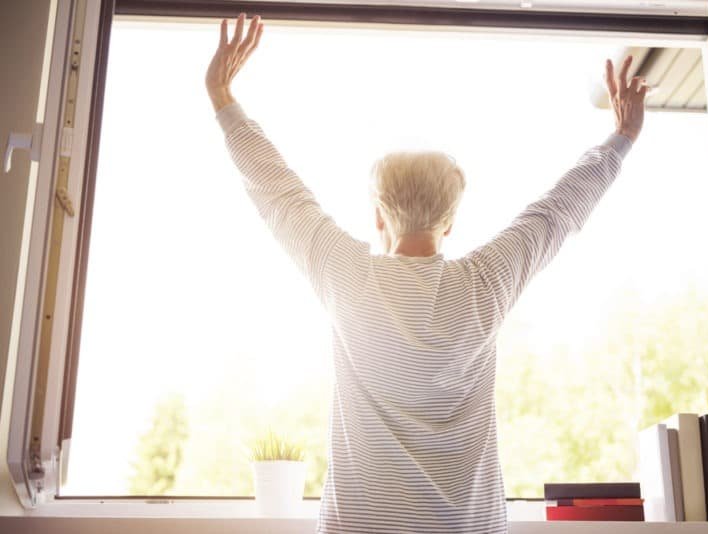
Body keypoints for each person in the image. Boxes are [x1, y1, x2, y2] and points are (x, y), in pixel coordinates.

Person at [206, 13, 648, 534]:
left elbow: (279, 191)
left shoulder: (346, 276)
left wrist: (222, 96)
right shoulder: (487, 282)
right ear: (451, 221)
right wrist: (621, 136)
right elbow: (558, 211)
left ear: (377, 215)